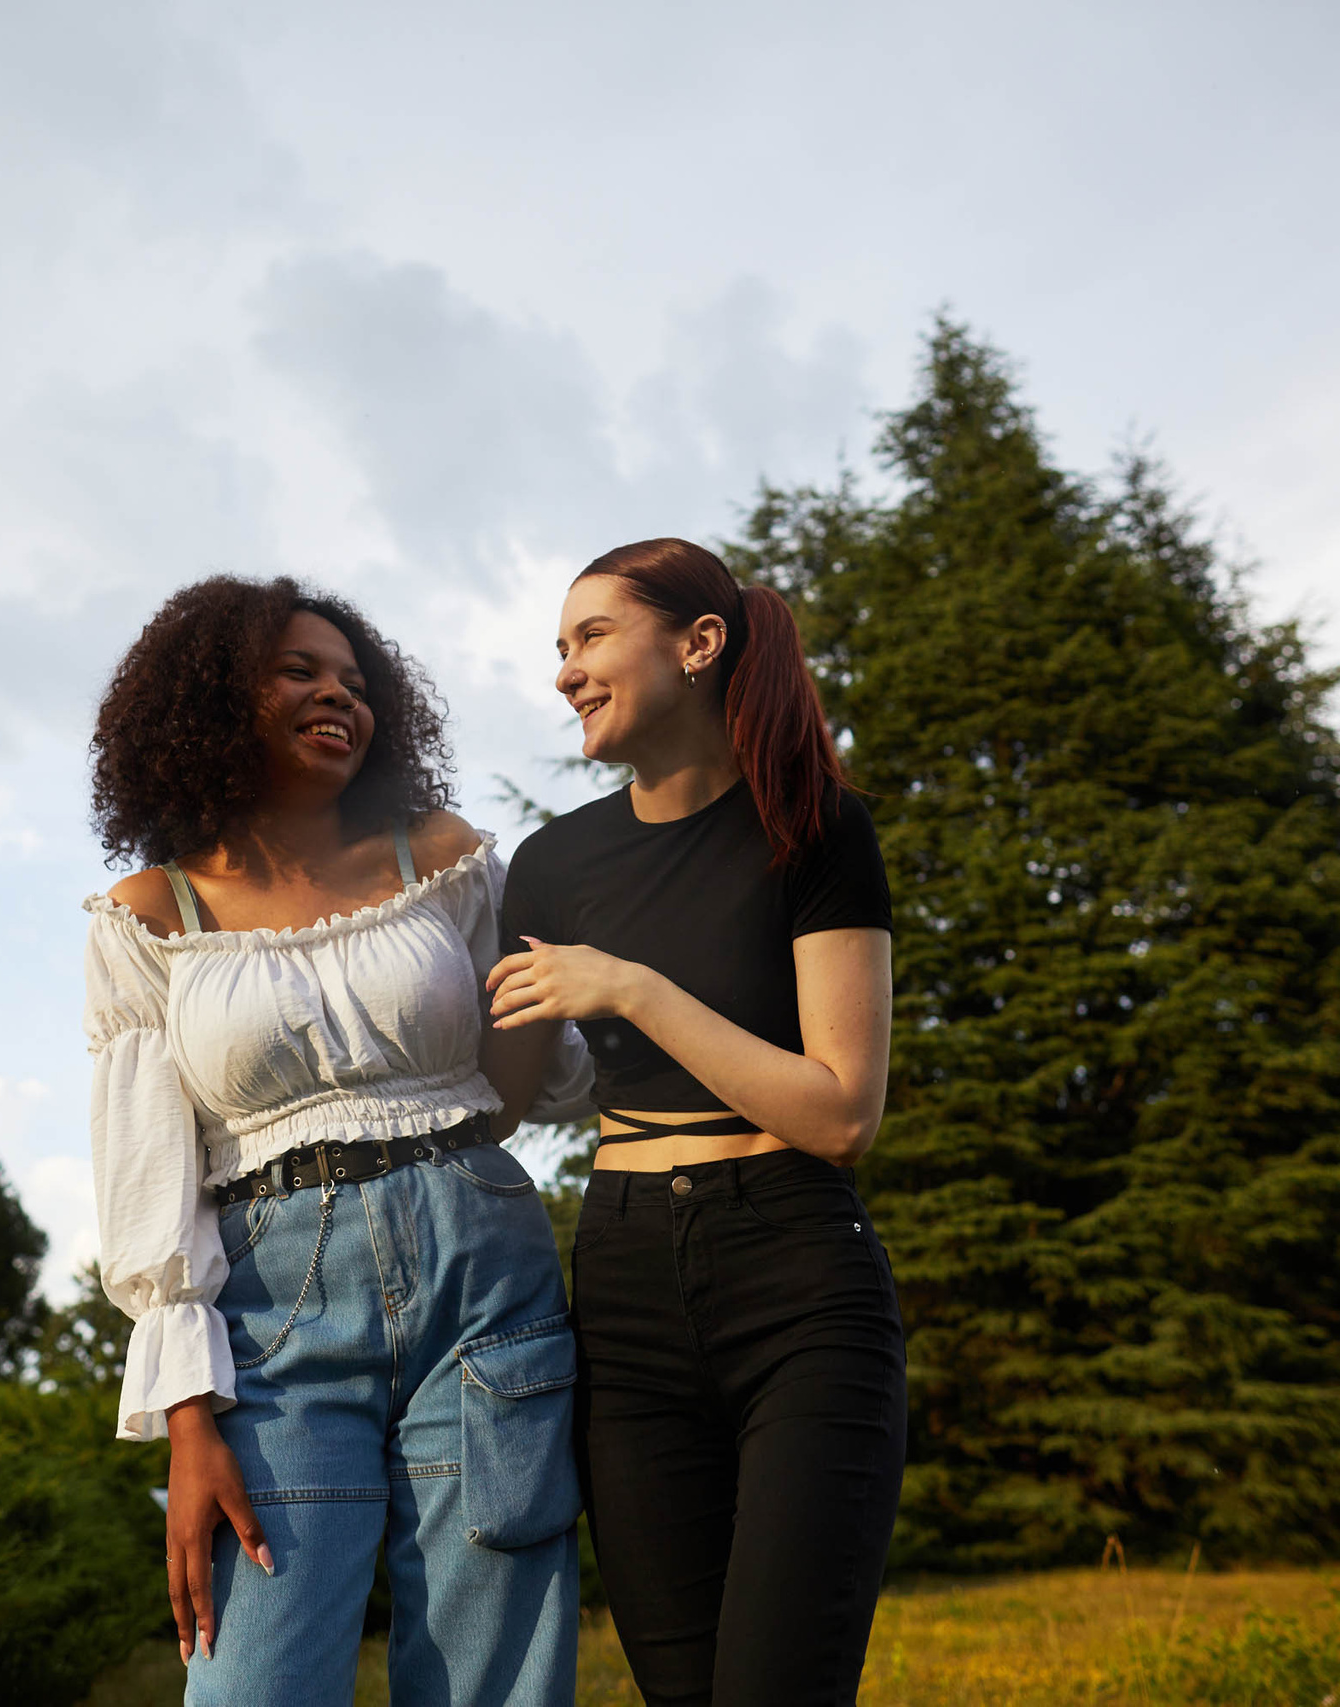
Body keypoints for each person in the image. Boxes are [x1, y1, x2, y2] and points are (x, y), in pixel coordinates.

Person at [81, 576, 591, 1707]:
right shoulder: (153, 914)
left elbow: (515, 1082)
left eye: (357, 683)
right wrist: (185, 1421)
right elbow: (145, 1180)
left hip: (483, 1265)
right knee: (254, 1678)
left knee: (493, 1669)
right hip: (271, 1312)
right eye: (300, 672)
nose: (337, 697)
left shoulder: (443, 858)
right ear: (213, 699)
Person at [484, 538, 905, 1707]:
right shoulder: (551, 866)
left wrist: (629, 989)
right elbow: (499, 1100)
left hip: (798, 1280)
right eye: (558, 650)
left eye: (590, 637)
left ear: (698, 643)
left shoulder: (813, 827)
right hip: (621, 1285)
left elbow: (841, 1112)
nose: (565, 671)